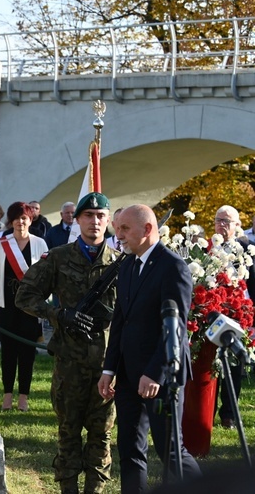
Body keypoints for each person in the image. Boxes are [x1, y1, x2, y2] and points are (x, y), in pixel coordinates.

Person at [16, 192, 120, 494]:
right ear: (77, 220)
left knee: (101, 436)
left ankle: (94, 491)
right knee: (68, 433)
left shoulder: (119, 263)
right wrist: (59, 314)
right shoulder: (59, 257)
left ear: (108, 220)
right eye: (89, 216)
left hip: (105, 366)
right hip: (70, 363)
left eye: (101, 216)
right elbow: (25, 295)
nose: (95, 222)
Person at [98, 204, 201, 492]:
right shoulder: (129, 264)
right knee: (129, 449)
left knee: (171, 452)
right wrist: (109, 368)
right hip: (129, 375)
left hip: (162, 375)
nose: (118, 235)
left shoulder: (173, 267)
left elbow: (176, 328)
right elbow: (121, 320)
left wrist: (155, 373)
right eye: (117, 228)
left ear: (147, 229)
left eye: (124, 229)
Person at [0, 202, 48, 412]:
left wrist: (43, 302)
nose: (20, 222)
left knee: (27, 352)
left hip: (30, 307)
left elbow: (45, 275)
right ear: (11, 221)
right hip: (7, 304)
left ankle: (23, 395)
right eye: (16, 218)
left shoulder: (40, 243)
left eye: (24, 218)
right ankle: (7, 395)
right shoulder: (1, 243)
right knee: (8, 351)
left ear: (30, 220)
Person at [210, 205, 255, 429]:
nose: (222, 225)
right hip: (211, 313)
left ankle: (228, 414)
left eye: (228, 221)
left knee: (233, 366)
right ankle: (206, 409)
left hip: (238, 314)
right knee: (210, 365)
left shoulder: (248, 249)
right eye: (219, 220)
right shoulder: (207, 248)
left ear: (238, 225)